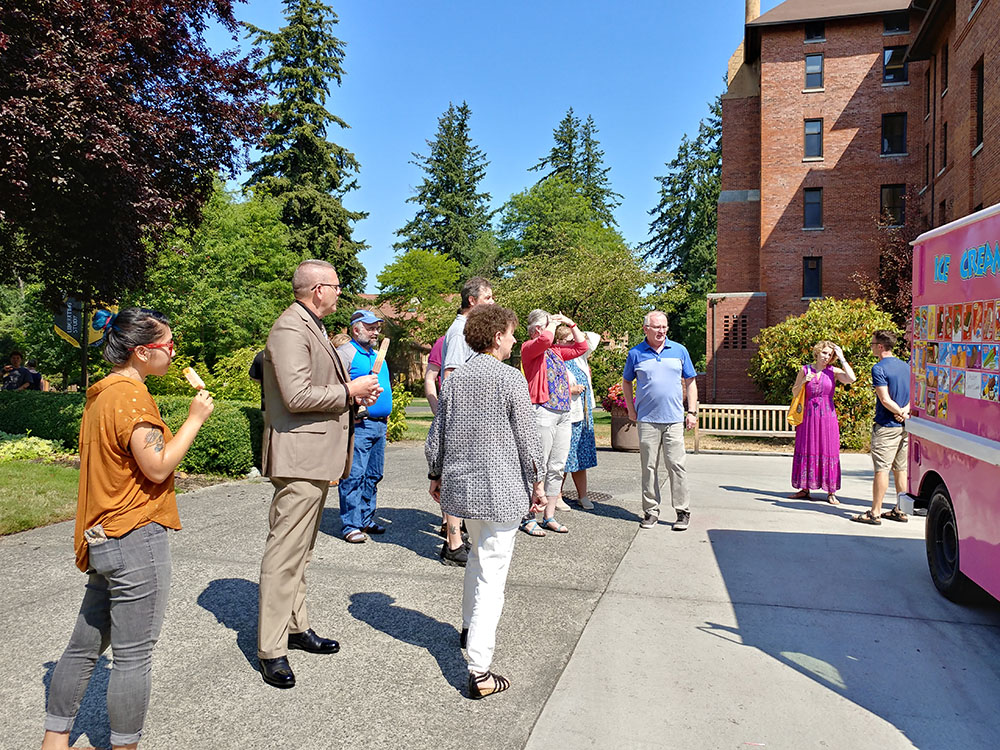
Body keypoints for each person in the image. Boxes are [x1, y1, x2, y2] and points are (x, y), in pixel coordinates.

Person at [41, 308, 215, 750]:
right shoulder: (132, 397)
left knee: (83, 647)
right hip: (135, 533)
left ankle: (54, 741)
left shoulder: (100, 394)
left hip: (102, 533)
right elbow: (156, 467)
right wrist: (195, 419)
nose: (173, 353)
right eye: (168, 345)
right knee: (133, 657)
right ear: (142, 352)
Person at [256, 260, 382, 689]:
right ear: (316, 291)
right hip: (298, 460)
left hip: (313, 458)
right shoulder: (291, 328)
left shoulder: (311, 326)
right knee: (284, 554)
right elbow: (295, 394)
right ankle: (271, 649)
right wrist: (350, 390)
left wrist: (353, 401)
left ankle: (296, 626)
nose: (340, 292)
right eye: (335, 286)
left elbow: (314, 391)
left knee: (301, 552)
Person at [425, 304, 546, 699]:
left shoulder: (455, 379)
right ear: (497, 337)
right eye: (511, 333)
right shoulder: (510, 378)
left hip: (463, 489)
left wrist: (436, 473)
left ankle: (467, 628)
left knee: (477, 560)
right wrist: (539, 483)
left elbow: (437, 432)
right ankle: (479, 669)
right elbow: (528, 439)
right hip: (501, 491)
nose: (514, 340)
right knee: (492, 574)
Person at [622, 311, 698, 531]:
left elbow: (690, 381)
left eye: (664, 327)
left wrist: (691, 412)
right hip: (647, 420)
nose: (662, 331)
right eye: (657, 327)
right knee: (649, 467)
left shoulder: (679, 350)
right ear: (646, 328)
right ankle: (651, 511)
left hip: (674, 419)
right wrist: (630, 407)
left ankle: (682, 511)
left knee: (677, 465)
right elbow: (627, 382)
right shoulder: (635, 353)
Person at [438, 277, 495, 565]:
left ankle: (459, 534)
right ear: (472, 301)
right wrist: (457, 420)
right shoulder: (460, 332)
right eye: (488, 298)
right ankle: (453, 543)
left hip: (473, 417)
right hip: (463, 419)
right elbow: (450, 376)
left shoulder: (468, 330)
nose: (492, 303)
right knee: (457, 479)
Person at [520, 309, 590, 536]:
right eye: (549, 324)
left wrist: (571, 324)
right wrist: (551, 324)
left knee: (557, 466)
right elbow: (546, 339)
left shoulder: (556, 351)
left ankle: (549, 515)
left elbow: (582, 347)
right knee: (536, 466)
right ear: (539, 329)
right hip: (543, 412)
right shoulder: (530, 348)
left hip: (563, 412)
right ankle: (528, 516)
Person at [336, 310, 393, 543]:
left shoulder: (377, 355)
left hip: (379, 425)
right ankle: (350, 524)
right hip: (360, 425)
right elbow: (335, 387)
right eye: (370, 327)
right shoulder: (345, 353)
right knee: (354, 475)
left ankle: (366, 518)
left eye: (377, 327)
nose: (375, 332)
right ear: (355, 328)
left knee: (373, 475)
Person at [852, 330, 910, 525]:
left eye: (872, 343)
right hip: (905, 425)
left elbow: (884, 399)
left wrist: (898, 412)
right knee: (901, 468)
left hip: (886, 425)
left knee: (882, 469)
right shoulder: (906, 366)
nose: (871, 346)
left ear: (880, 346)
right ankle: (900, 509)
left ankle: (875, 512)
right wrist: (905, 413)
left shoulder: (878, 368)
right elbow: (913, 396)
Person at [789, 340, 857, 505]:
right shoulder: (805, 369)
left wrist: (841, 357)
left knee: (829, 448)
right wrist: (805, 380)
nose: (827, 357)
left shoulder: (833, 371)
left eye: (830, 354)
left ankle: (831, 491)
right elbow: (795, 391)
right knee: (807, 447)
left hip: (827, 415)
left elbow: (852, 379)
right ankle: (805, 488)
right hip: (808, 415)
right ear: (817, 352)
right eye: (825, 353)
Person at [556, 326, 600, 510]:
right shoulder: (556, 358)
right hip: (568, 413)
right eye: (568, 340)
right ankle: (557, 496)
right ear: (558, 342)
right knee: (564, 455)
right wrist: (569, 390)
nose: (574, 343)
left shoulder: (579, 356)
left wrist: (571, 326)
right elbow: (553, 386)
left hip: (584, 413)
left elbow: (594, 338)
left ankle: (583, 495)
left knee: (581, 455)